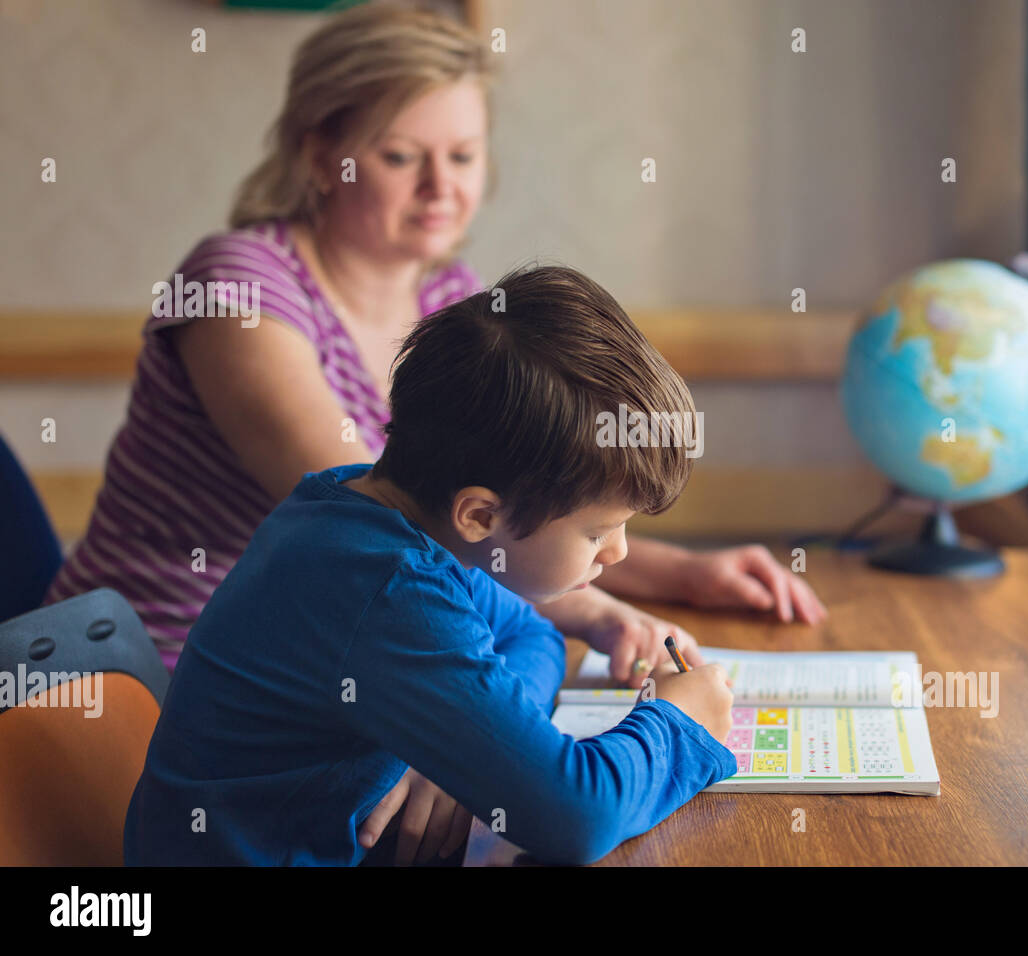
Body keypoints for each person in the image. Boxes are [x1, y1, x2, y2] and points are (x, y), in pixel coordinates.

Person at [47, 2, 821, 864]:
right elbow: (564, 795)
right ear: (318, 153)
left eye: (462, 155)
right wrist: (660, 724)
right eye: (400, 156)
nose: (441, 186)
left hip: (362, 702)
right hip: (143, 689)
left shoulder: (448, 327)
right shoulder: (244, 300)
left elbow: (518, 601)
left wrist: (474, 741)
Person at [124, 264, 737, 866]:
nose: (619, 552)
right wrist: (678, 721)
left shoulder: (367, 509)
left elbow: (533, 634)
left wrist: (468, 750)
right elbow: (578, 816)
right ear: (479, 514)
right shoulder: (387, 585)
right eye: (599, 530)